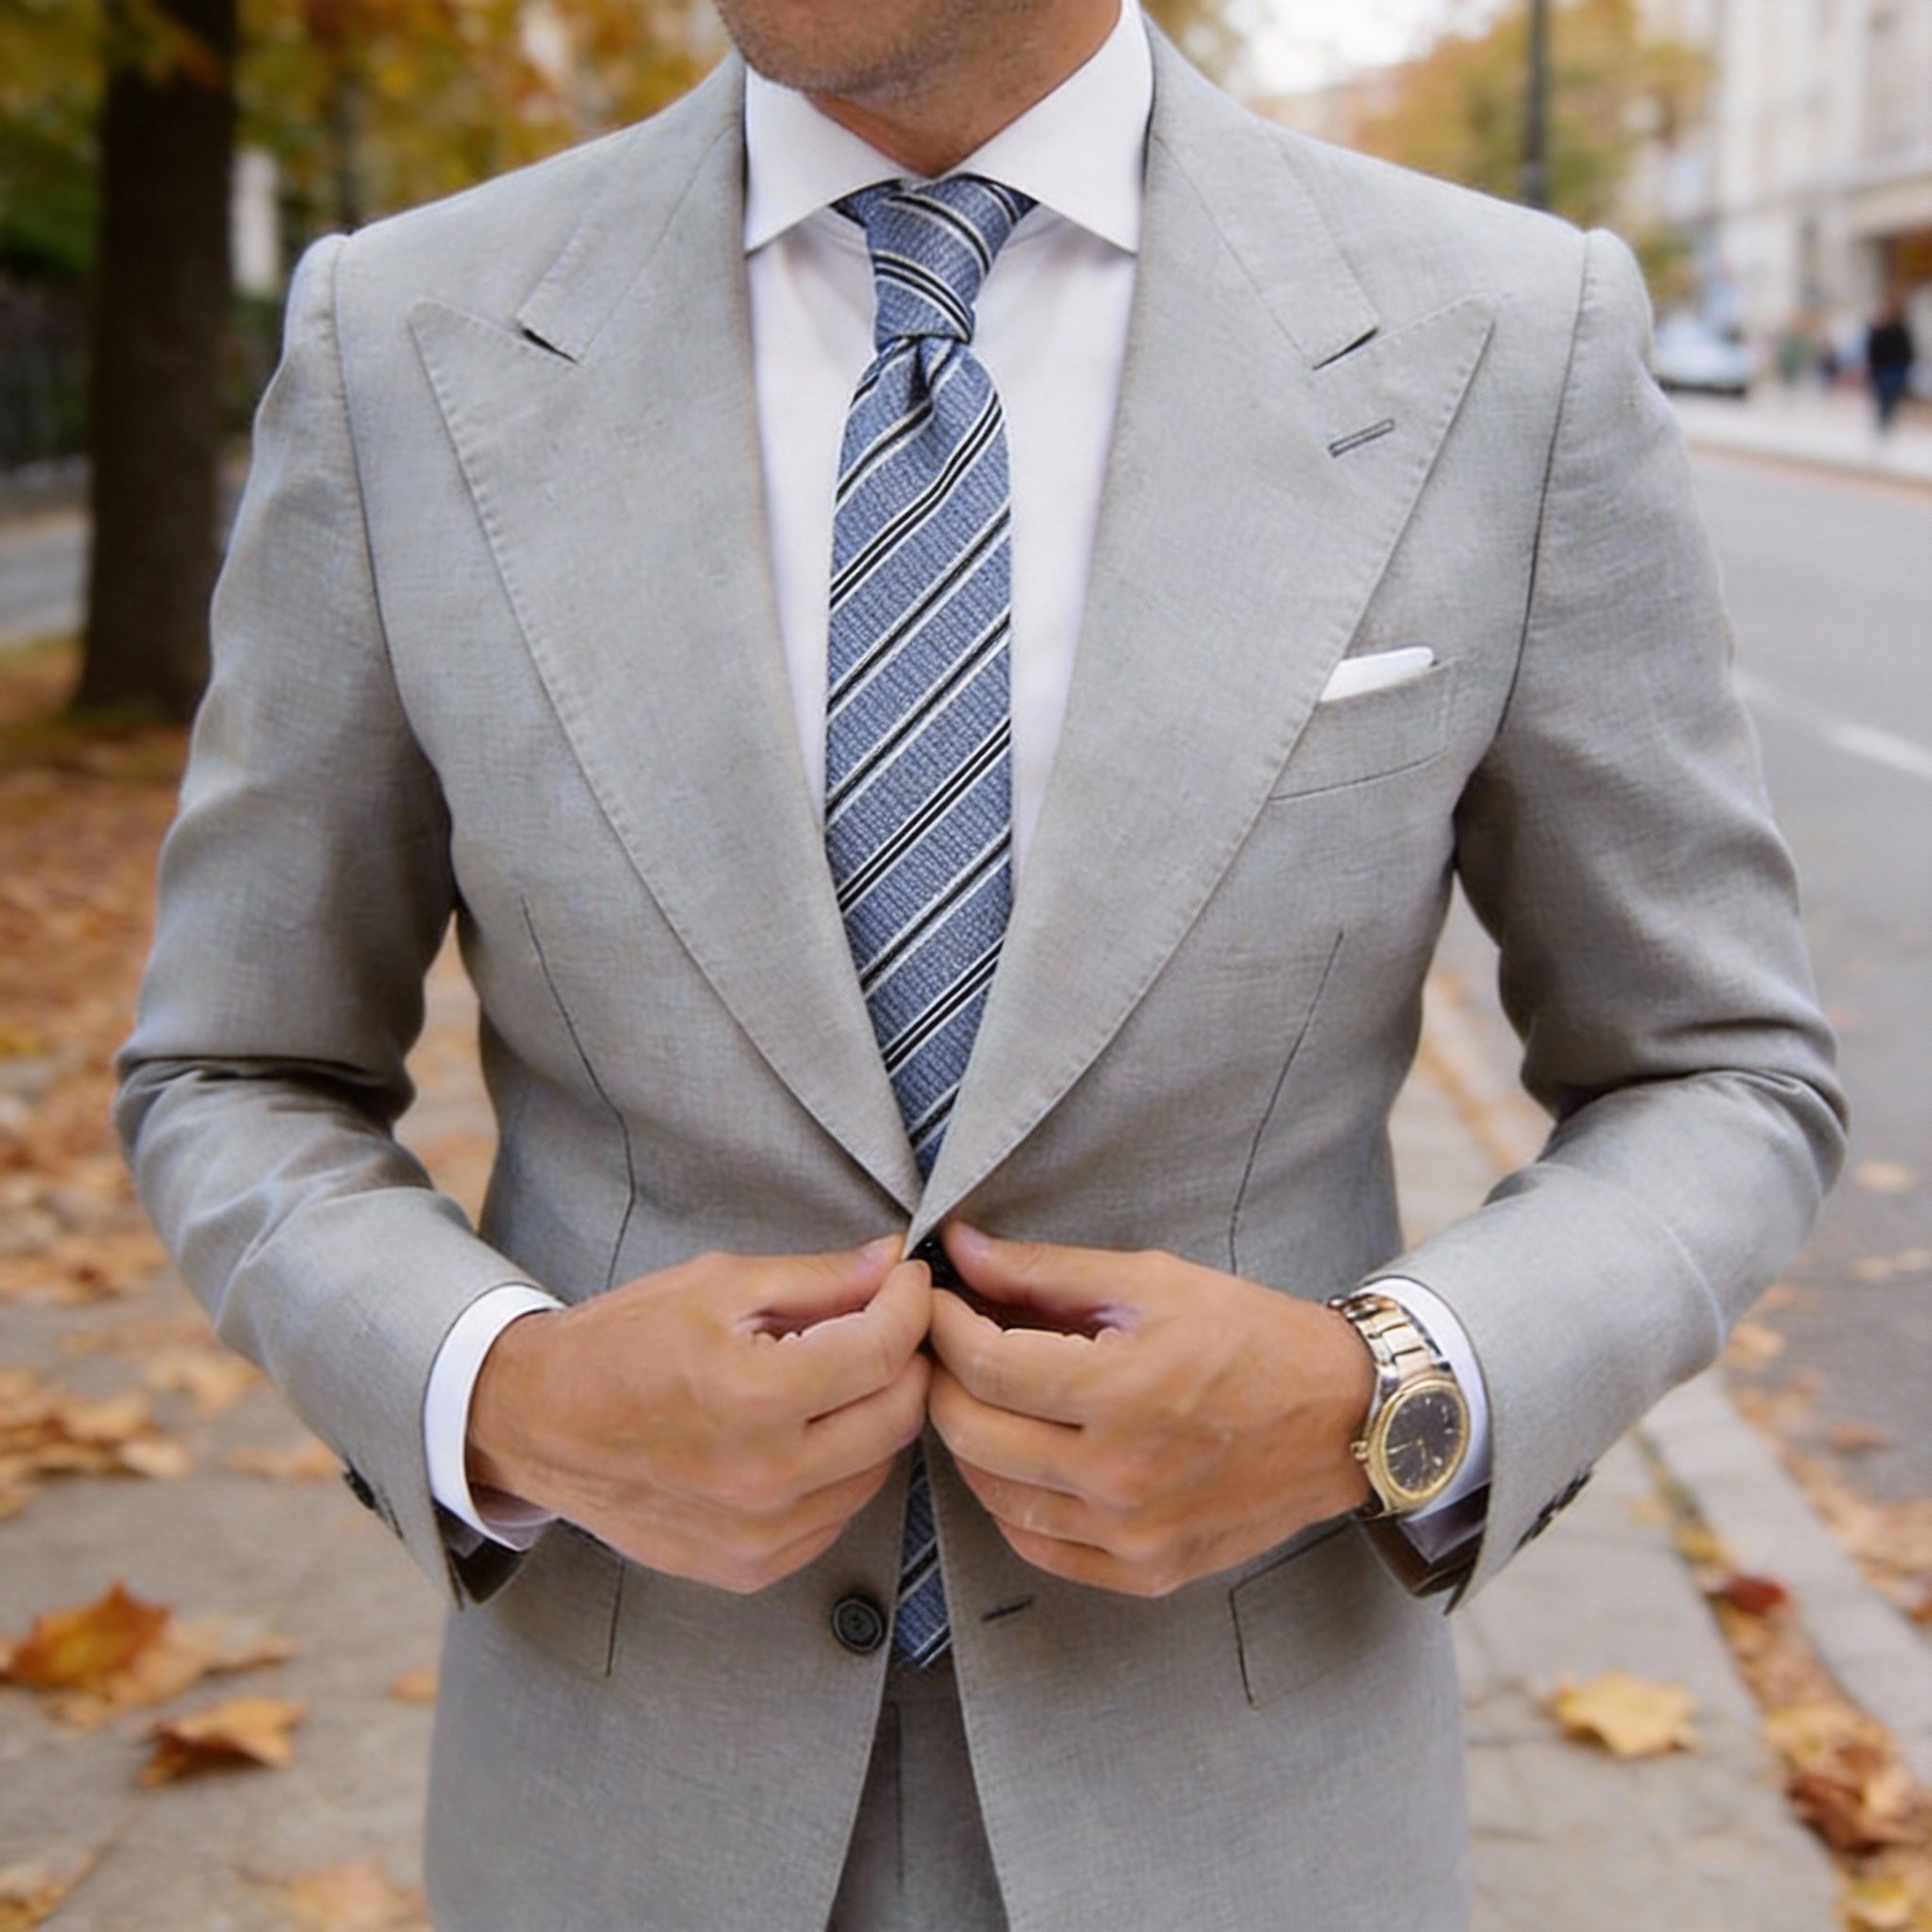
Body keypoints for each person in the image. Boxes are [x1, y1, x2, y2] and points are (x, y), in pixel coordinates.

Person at [116, 2, 1844, 1928]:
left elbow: (1718, 1068)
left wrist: (1386, 1396)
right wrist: (499, 1393)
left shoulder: (1505, 339)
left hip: (1248, 1815)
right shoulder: (405, 342)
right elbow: (234, 1065)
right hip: (625, 1815)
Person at [1868, 293, 1917, 432]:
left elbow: (1907, 350)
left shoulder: (1900, 330)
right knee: (1883, 397)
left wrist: (1904, 365)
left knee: (1890, 397)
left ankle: (1886, 424)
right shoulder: (1879, 329)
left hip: (1895, 368)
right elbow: (1873, 349)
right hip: (1882, 368)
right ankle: (1883, 424)